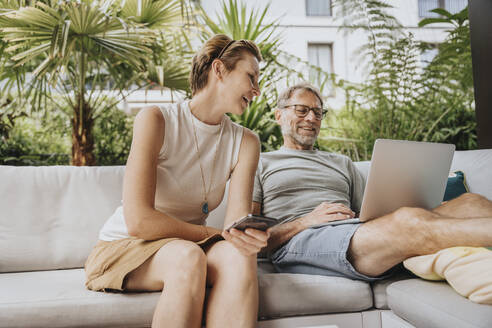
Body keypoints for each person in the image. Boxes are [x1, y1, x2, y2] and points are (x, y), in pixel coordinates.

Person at [85, 34, 270, 328]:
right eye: (251, 76)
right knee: (188, 257)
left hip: (185, 246)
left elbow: (234, 231)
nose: (256, 90)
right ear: (219, 70)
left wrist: (248, 237)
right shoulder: (156, 120)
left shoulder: (246, 141)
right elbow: (139, 221)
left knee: (239, 255)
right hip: (127, 245)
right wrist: (213, 233)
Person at [252, 82, 492, 281]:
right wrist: (306, 221)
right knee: (409, 221)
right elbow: (251, 239)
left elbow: (369, 213)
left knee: (471, 202)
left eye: (318, 112)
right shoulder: (261, 163)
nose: (312, 118)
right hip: (300, 242)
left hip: (353, 232)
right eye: (302, 110)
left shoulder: (341, 162)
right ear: (279, 115)